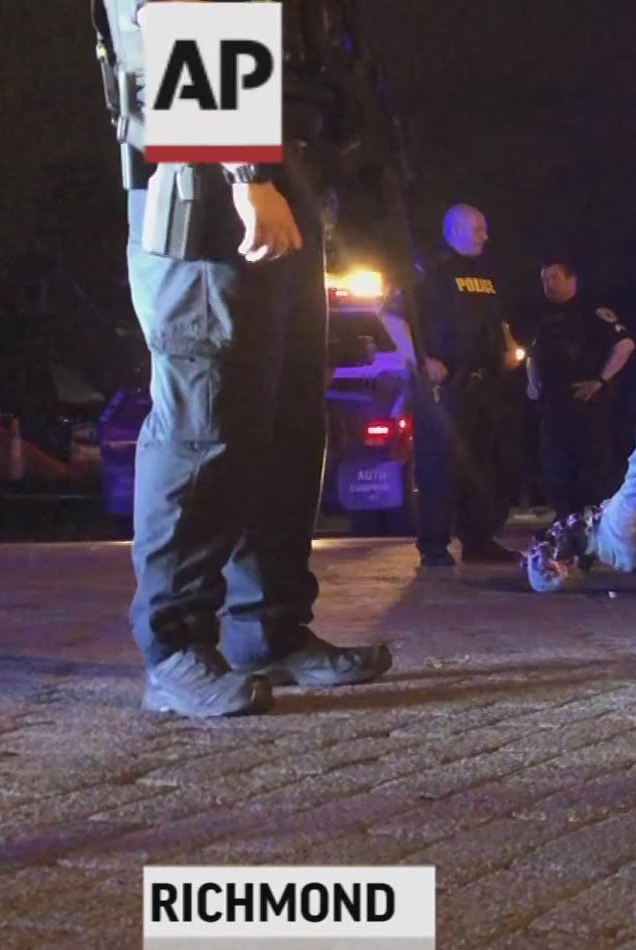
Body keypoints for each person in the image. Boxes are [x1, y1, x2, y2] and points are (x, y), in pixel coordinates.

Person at [92, 0, 390, 717]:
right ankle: (173, 648)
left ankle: (268, 630)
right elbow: (185, 14)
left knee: (286, 423)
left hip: (275, 179)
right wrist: (245, 171)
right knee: (207, 422)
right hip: (207, 184)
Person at [414, 204, 524, 566]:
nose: (485, 236)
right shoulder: (430, 271)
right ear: (455, 230)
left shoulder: (485, 275)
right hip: (446, 388)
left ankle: (478, 541)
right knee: (440, 466)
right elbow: (391, 314)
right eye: (478, 229)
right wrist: (421, 360)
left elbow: (498, 319)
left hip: (484, 385)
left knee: (482, 466)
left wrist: (508, 347)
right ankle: (433, 546)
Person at [529, 260, 636, 522]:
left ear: (571, 279)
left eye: (554, 278)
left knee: (592, 468)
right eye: (544, 279)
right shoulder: (543, 316)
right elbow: (533, 354)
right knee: (556, 467)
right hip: (554, 403)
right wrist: (532, 384)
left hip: (587, 404)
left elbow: (625, 346)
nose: (548, 284)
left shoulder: (593, 313)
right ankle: (566, 523)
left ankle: (599, 524)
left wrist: (601, 380)